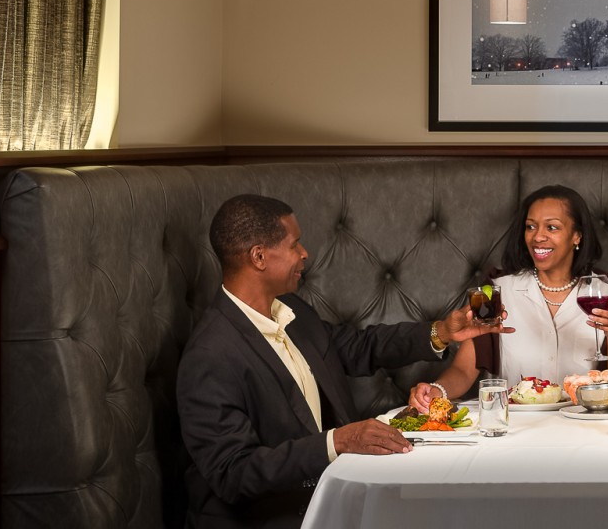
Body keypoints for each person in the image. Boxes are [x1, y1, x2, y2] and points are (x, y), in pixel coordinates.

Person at [177, 194, 511, 528]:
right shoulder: (209, 356)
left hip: (336, 498)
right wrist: (337, 442)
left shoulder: (292, 311)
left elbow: (358, 347)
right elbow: (233, 473)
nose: (305, 253)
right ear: (259, 257)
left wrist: (442, 332)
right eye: (295, 244)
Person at [409, 185, 608, 411]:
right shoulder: (495, 291)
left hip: (587, 430)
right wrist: (435, 391)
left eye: (552, 227)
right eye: (530, 227)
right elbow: (463, 371)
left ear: (577, 236)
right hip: (512, 430)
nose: (538, 237)